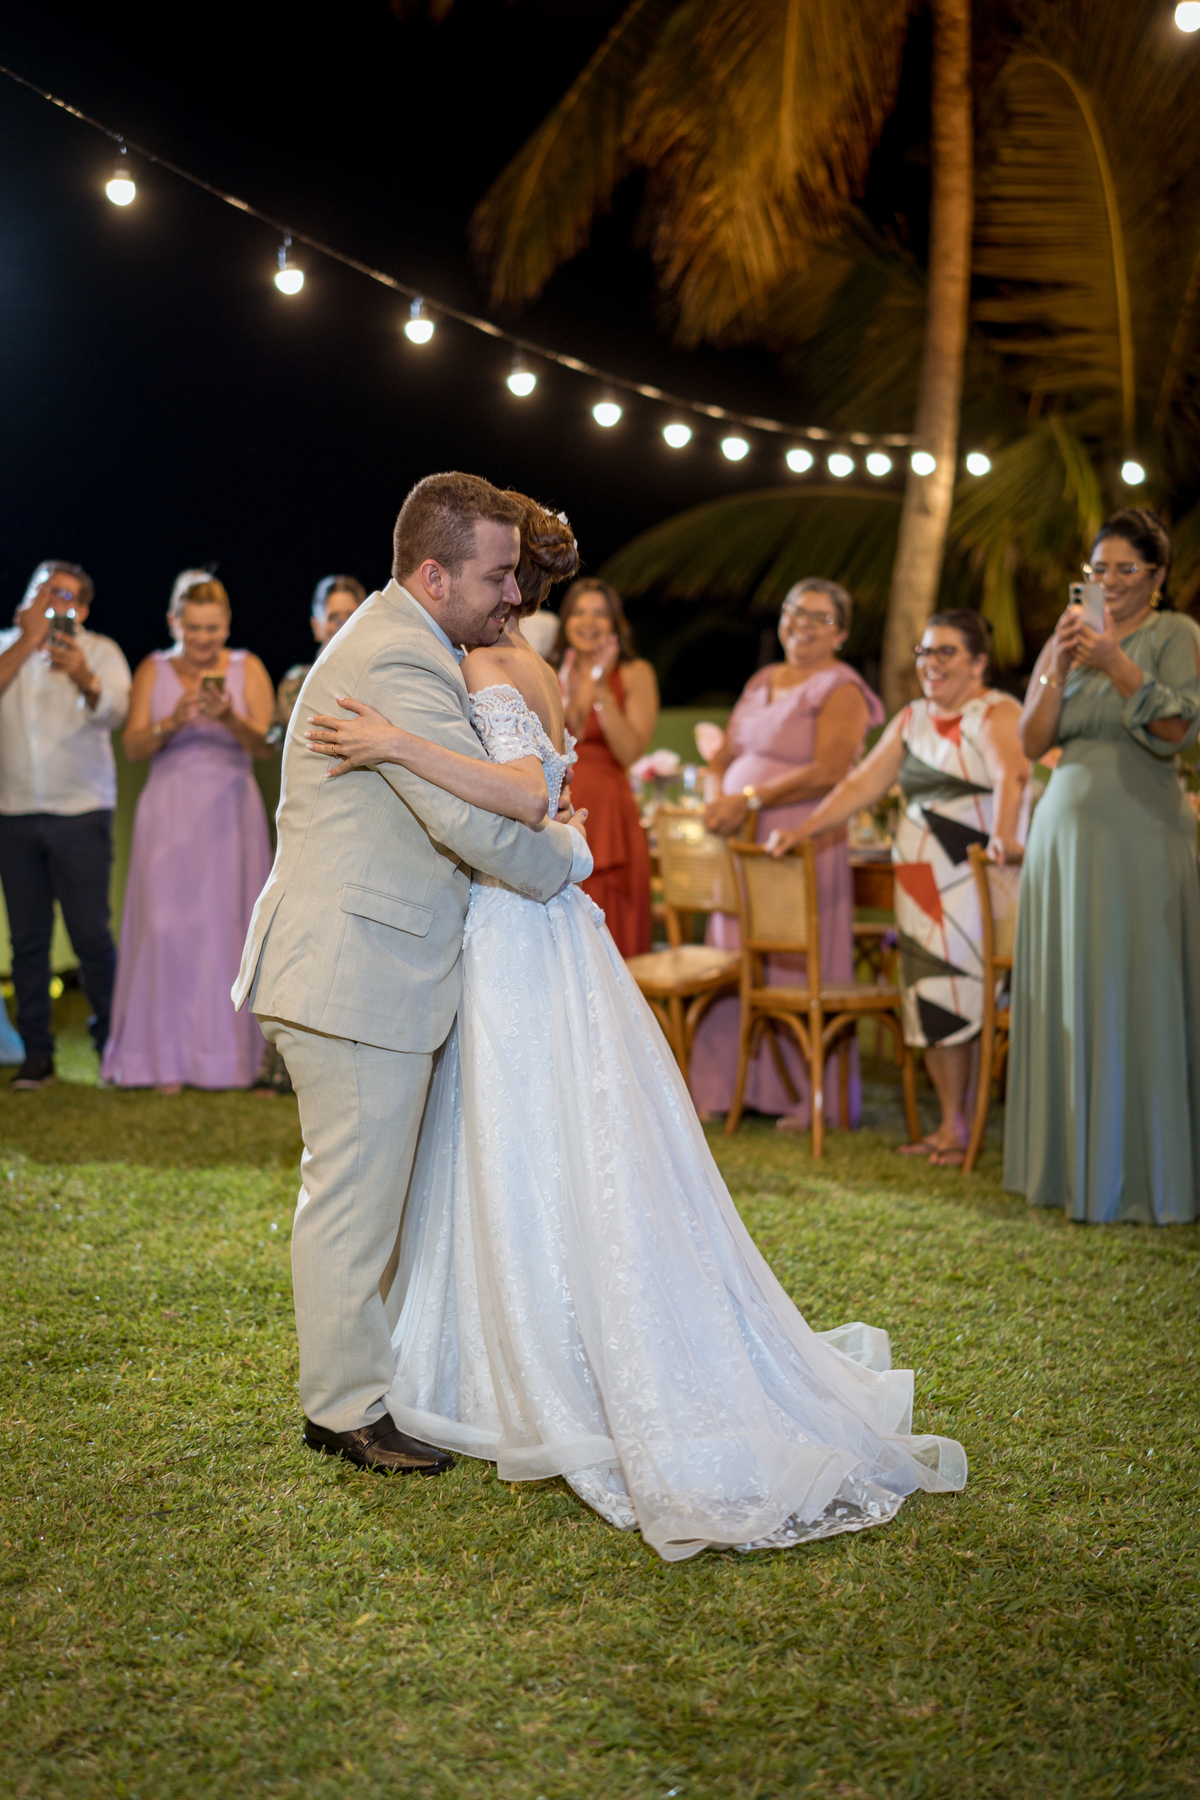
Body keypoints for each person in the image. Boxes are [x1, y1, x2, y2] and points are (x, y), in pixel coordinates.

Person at [303, 489, 966, 1562]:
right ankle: (481, 1351)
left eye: (511, 579)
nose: (504, 594)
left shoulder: (490, 667)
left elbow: (523, 793)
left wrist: (393, 743)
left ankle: (529, 1359)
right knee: (530, 1141)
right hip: (530, 926)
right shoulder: (535, 668)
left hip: (519, 924)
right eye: (497, 577)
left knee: (527, 1139)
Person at [233, 473, 590, 1480]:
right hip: (354, 967)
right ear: (434, 574)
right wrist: (565, 861)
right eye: (497, 574)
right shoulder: (397, 655)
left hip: (369, 958)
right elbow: (469, 823)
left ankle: (362, 1385)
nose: (512, 594)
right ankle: (344, 1408)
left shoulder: (415, 640)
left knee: (369, 1196)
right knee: (353, 1200)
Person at [767, 612, 1029, 1166]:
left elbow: (1013, 775)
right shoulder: (912, 719)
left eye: (946, 653)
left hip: (971, 880)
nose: (930, 664)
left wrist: (1005, 836)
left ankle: (963, 1126)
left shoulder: (995, 711)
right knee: (925, 996)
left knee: (958, 993)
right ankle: (951, 1124)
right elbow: (863, 783)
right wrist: (803, 829)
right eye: (925, 651)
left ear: (979, 662)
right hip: (917, 881)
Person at [1005, 509, 1200, 1224]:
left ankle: (1146, 1173)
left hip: (1142, 837)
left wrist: (1117, 662)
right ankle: (1065, 1168)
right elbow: (1030, 741)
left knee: (1137, 990)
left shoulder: (1177, 636)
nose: (1109, 583)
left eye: (1126, 569)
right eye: (1099, 570)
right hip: (1063, 839)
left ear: (1157, 576)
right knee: (1070, 990)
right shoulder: (1066, 639)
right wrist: (1057, 663)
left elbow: (1177, 729)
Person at [689, 580, 884, 1129]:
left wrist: (751, 795)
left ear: (841, 633)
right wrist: (717, 781)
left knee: (798, 956)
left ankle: (812, 1095)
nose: (803, 623)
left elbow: (830, 770)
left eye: (820, 617)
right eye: (796, 611)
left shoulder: (840, 687)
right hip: (743, 837)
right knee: (737, 955)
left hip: (800, 836)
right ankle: (728, 1086)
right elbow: (729, 751)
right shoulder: (760, 680)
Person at [102, 573, 274, 1092]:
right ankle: (161, 1060)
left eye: (213, 628)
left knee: (228, 930)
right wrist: (172, 722)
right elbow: (132, 747)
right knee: (166, 930)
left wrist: (229, 719)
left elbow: (265, 744)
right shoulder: (153, 669)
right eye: (194, 628)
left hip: (230, 811)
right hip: (170, 811)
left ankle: (232, 1061)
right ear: (174, 622)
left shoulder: (248, 667)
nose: (204, 639)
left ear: (227, 625)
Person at [0, 560, 131, 1089]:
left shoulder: (99, 650)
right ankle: (37, 1056)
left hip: (81, 811)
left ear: (84, 608)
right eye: (47, 593)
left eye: (69, 596)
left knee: (91, 938)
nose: (58, 605)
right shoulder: (7, 645)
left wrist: (81, 674)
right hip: (13, 812)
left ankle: (112, 1050)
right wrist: (24, 642)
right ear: (28, 599)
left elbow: (116, 712)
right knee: (27, 942)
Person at [549, 579, 658, 956]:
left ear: (615, 624)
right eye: (579, 612)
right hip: (556, 814)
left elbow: (630, 752)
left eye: (600, 614)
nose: (588, 622)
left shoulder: (634, 673)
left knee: (613, 938)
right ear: (566, 621)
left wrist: (601, 689)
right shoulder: (548, 671)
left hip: (608, 818)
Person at [269, 575, 367, 742]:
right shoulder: (296, 681)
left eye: (351, 616)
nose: (343, 625)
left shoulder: (374, 675)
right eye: (333, 618)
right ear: (316, 626)